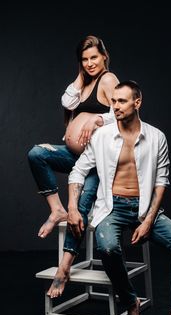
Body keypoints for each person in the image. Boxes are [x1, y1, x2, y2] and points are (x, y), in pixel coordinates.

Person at [49, 80, 171, 315]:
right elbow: (78, 171)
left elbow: (161, 181)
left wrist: (147, 221)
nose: (115, 106)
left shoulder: (156, 137)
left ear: (137, 102)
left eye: (121, 101)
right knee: (109, 248)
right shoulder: (101, 136)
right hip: (112, 209)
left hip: (145, 210)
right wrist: (72, 207)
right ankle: (131, 303)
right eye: (113, 101)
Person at [28, 35, 119, 288]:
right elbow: (67, 102)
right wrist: (81, 75)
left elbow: (122, 113)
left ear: (104, 56)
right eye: (85, 59)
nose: (90, 63)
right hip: (75, 157)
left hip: (97, 162)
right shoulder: (85, 83)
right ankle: (56, 209)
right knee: (37, 154)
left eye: (94, 58)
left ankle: (65, 266)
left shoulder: (108, 79)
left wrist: (97, 120)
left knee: (80, 204)